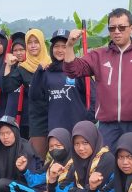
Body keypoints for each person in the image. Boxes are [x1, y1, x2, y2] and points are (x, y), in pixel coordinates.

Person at [63, 8, 132, 148]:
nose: (117, 31)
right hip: (107, 126)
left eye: (122, 27)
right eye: (112, 28)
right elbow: (72, 70)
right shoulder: (99, 55)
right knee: (106, 166)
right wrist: (70, 45)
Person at [30, 29, 95, 158]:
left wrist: (89, 118)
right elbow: (35, 97)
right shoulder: (47, 72)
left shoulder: (79, 70)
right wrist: (38, 73)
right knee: (59, 163)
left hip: (78, 127)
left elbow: (94, 97)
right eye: (56, 46)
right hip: (56, 129)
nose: (60, 50)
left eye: (64, 46)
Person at [3, 29, 52, 149]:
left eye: (36, 42)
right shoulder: (23, 68)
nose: (33, 45)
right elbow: (6, 87)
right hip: (37, 120)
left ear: (42, 43)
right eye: (30, 43)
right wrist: (8, 65)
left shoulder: (52, 64)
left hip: (55, 116)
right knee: (36, 158)